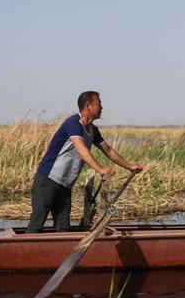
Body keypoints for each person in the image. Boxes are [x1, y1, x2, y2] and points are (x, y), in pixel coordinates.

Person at [26, 91, 143, 233]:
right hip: (47, 180)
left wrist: (130, 167)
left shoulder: (93, 130)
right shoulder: (73, 124)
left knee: (63, 228)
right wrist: (100, 169)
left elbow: (109, 151)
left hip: (65, 185)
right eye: (99, 103)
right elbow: (81, 150)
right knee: (37, 224)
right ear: (88, 106)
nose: (102, 107)